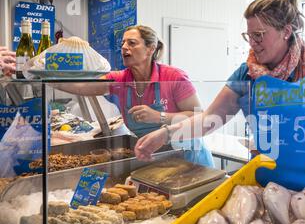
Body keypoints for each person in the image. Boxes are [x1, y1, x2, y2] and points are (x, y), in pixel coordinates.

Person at [134, 0, 305, 224]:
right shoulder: (246, 74)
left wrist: (291, 143)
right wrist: (166, 133)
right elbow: (209, 120)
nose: (252, 42)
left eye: (259, 35)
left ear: (286, 31)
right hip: (271, 188)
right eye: (248, 35)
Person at [56, 25, 214, 167]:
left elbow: (199, 116)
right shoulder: (120, 79)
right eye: (123, 43)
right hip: (156, 161)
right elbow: (81, 86)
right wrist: (45, 77)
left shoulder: (173, 76)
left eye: (131, 43)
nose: (124, 47)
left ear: (150, 49)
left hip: (190, 159)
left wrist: (159, 116)